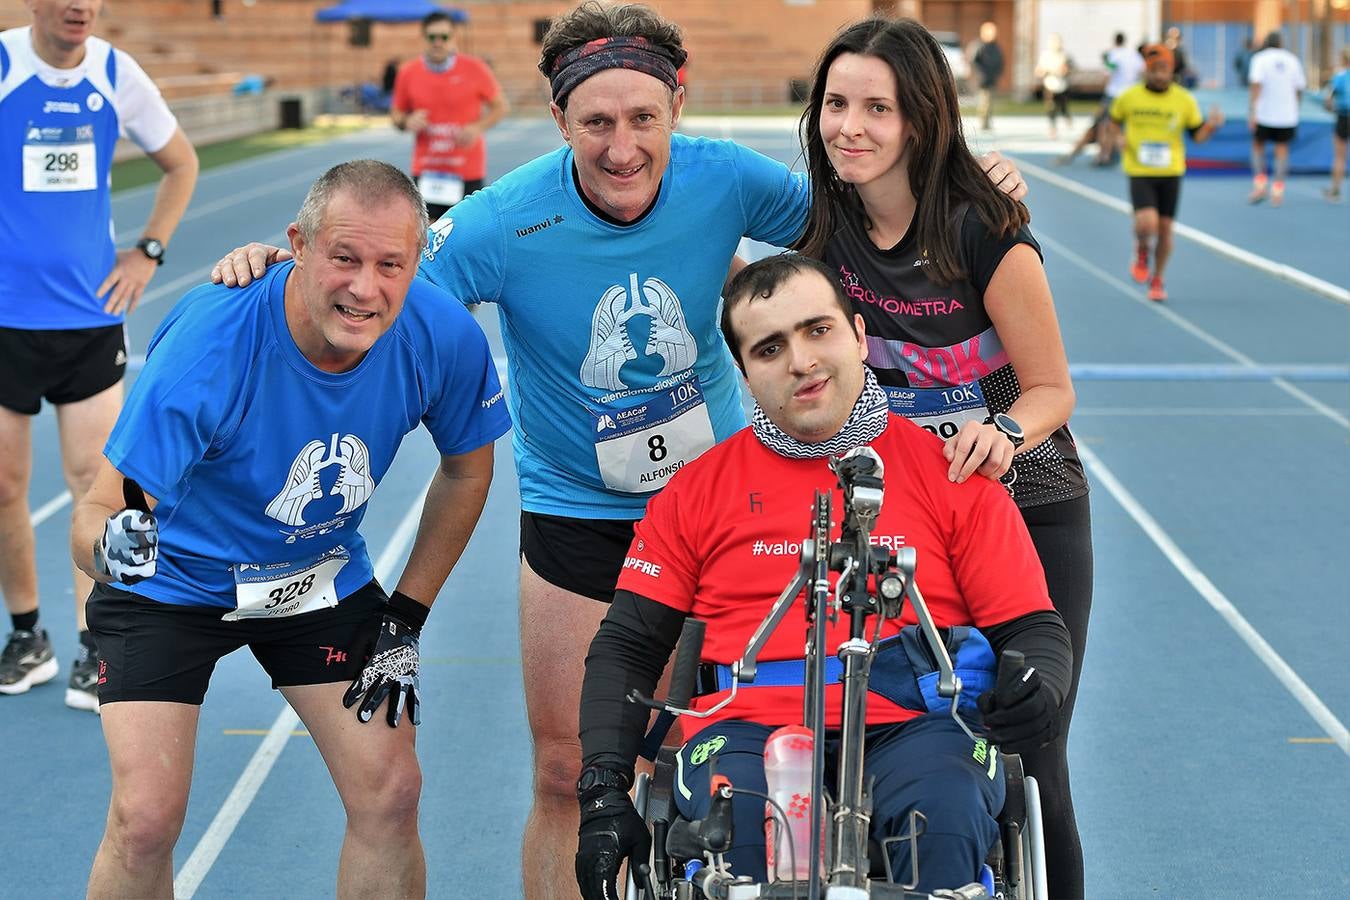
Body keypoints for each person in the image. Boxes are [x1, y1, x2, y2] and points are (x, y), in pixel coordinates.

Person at [208, 6, 1028, 895]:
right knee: (569, 773)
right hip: (579, 520)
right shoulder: (503, 222)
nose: (623, 147)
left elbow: (868, 220)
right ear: (559, 120)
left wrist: (961, 180)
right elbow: (377, 292)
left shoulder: (725, 180)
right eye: (596, 123)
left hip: (728, 517)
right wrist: (281, 271)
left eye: (644, 119)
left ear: (678, 104)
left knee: (722, 762)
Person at [71, 159, 510, 897]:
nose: (364, 288)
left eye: (388, 264)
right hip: (173, 583)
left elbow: (468, 470)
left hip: (317, 575)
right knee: (145, 818)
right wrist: (115, 552)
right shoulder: (212, 345)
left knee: (390, 790)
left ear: (415, 264)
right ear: (298, 245)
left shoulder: (441, 334)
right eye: (343, 257)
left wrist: (406, 617)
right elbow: (91, 514)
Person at [573, 253, 1073, 898]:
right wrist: (603, 789)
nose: (801, 362)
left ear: (860, 335)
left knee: (943, 822)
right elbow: (628, 644)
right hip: (743, 732)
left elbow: (1032, 627)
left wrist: (1037, 680)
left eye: (818, 330)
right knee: (745, 844)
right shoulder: (695, 490)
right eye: (769, 348)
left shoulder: (953, 475)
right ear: (745, 374)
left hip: (916, 725)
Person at [793, 19, 1097, 897]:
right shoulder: (822, 227)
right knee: (884, 733)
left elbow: (1050, 390)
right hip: (899, 513)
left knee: (1030, 754)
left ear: (921, 122)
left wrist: (998, 436)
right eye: (836, 104)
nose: (849, 126)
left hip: (1026, 502)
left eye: (876, 108)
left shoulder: (982, 229)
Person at [0, 0, 198, 711]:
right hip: (5, 323)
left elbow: (181, 163)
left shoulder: (117, 73)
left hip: (88, 318)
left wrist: (147, 253)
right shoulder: (3, 63)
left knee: (98, 486)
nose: (81, 4)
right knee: (4, 488)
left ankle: (94, 644)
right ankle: (27, 636)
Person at [1111, 44, 1224, 303]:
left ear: (1172, 70)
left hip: (1171, 171)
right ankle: (1141, 249)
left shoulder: (1184, 99)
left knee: (1165, 230)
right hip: (1140, 169)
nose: (1160, 75)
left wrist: (1212, 126)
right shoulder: (1129, 97)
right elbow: (1113, 122)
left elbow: (1198, 136)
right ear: (1147, 71)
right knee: (1146, 223)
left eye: (1165, 69)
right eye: (1155, 70)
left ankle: (1158, 278)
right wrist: (1117, 138)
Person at [391, 10, 510, 221]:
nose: (438, 42)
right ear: (423, 38)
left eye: (444, 37)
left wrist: (477, 127)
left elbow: (501, 106)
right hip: (427, 170)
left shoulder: (475, 69)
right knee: (427, 235)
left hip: (465, 169)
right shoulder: (408, 73)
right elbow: (396, 115)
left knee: (466, 232)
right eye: (432, 37)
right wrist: (407, 121)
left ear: (453, 38)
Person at [1246, 30, 1306, 206]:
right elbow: (1299, 88)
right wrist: (1295, 108)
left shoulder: (1259, 59)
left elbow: (1256, 85)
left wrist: (1252, 112)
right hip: (1287, 114)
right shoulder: (1292, 59)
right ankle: (1278, 191)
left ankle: (1260, 185)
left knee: (1258, 146)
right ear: (1281, 43)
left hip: (1264, 113)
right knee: (1282, 150)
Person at [1321, 46, 1348, 203]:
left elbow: (1328, 98)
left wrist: (1330, 108)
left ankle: (1336, 190)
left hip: (1344, 117)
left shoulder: (1339, 76)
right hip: (1344, 115)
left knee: (1339, 157)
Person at [1035, 34, 1072, 138]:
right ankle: (1053, 128)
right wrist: (1044, 72)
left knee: (1063, 108)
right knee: (1050, 108)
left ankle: (1067, 117)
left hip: (1062, 86)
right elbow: (1039, 70)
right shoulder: (1045, 55)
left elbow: (1068, 69)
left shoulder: (1064, 55)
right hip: (1049, 85)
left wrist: (1061, 71)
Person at [971, 21, 1004, 132]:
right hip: (982, 79)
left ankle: (988, 120)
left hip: (992, 78)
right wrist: (980, 74)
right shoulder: (979, 45)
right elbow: (974, 61)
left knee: (990, 101)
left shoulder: (995, 47)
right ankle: (983, 121)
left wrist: (997, 72)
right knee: (984, 101)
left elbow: (1000, 61)